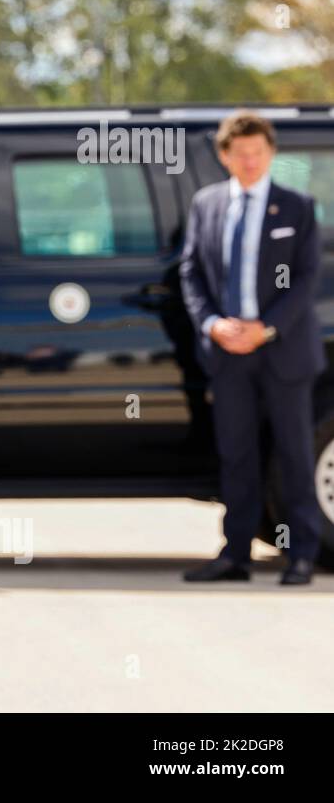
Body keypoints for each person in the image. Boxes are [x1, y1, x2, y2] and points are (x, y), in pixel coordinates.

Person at [180, 110, 325, 585]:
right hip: (227, 353)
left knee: (295, 453)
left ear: (270, 153)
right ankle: (235, 554)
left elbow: (306, 279)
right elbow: (192, 272)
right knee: (236, 454)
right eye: (239, 153)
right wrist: (213, 324)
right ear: (225, 156)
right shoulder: (207, 204)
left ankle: (301, 553)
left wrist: (267, 328)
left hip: (283, 350)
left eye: (257, 152)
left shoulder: (298, 206)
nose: (249, 161)